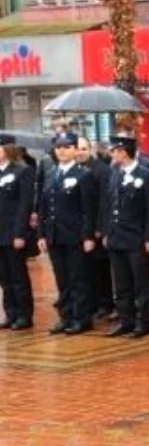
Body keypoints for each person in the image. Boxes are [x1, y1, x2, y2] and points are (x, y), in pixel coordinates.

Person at [39, 132, 97, 335]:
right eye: (58, 147)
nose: (62, 151)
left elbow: (89, 209)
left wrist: (88, 236)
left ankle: (82, 318)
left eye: (66, 147)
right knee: (62, 279)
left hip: (75, 235)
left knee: (78, 278)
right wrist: (42, 235)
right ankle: (66, 316)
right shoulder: (51, 173)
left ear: (74, 149)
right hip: (55, 234)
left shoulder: (84, 174)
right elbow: (43, 207)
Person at [102, 135, 149, 338]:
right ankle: (126, 320)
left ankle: (144, 322)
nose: (112, 154)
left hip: (137, 236)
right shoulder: (115, 173)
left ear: (123, 152)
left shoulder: (146, 174)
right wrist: (108, 232)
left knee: (141, 282)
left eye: (114, 151)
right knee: (121, 282)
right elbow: (110, 206)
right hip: (117, 235)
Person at [76, 135, 113, 321]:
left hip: (97, 227)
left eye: (84, 149)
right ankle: (91, 301)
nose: (81, 152)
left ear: (90, 149)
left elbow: (104, 201)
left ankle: (105, 303)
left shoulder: (101, 170)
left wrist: (100, 226)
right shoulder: (76, 169)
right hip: (81, 228)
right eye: (78, 149)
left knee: (101, 268)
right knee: (86, 268)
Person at [0, 135, 35, 330]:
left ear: (8, 149)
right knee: (4, 277)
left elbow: (24, 205)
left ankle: (24, 314)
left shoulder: (22, 171)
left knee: (18, 275)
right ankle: (10, 312)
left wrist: (20, 233)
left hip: (13, 231)